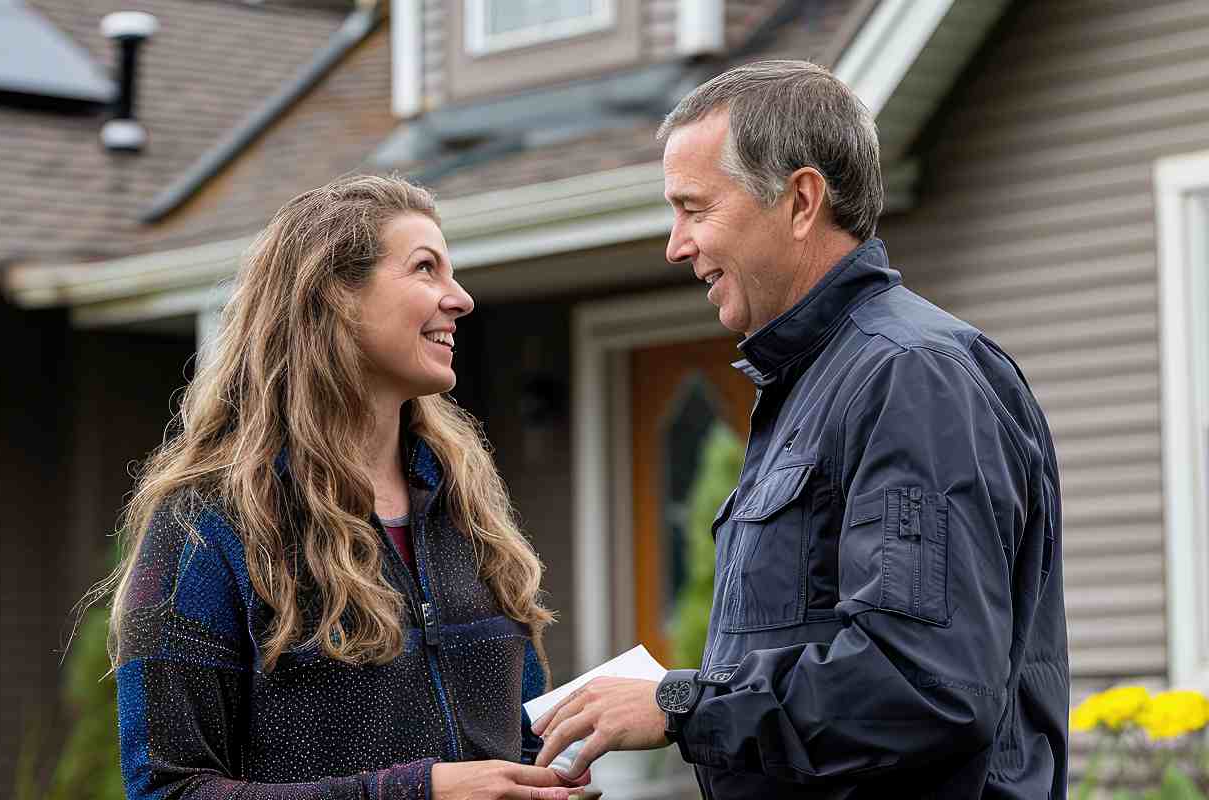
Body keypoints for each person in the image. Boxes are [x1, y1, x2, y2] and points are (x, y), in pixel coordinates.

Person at [531, 60, 1069, 798]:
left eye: (694, 208)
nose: (675, 245)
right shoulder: (816, 383)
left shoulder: (908, 379)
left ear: (800, 200)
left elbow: (924, 683)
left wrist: (682, 705)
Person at [102, 175, 584, 800]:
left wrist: (543, 774)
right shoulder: (208, 523)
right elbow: (168, 790)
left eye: (451, 271)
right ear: (334, 295)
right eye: (424, 269)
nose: (459, 298)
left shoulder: (465, 508)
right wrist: (417, 793)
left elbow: (509, 742)